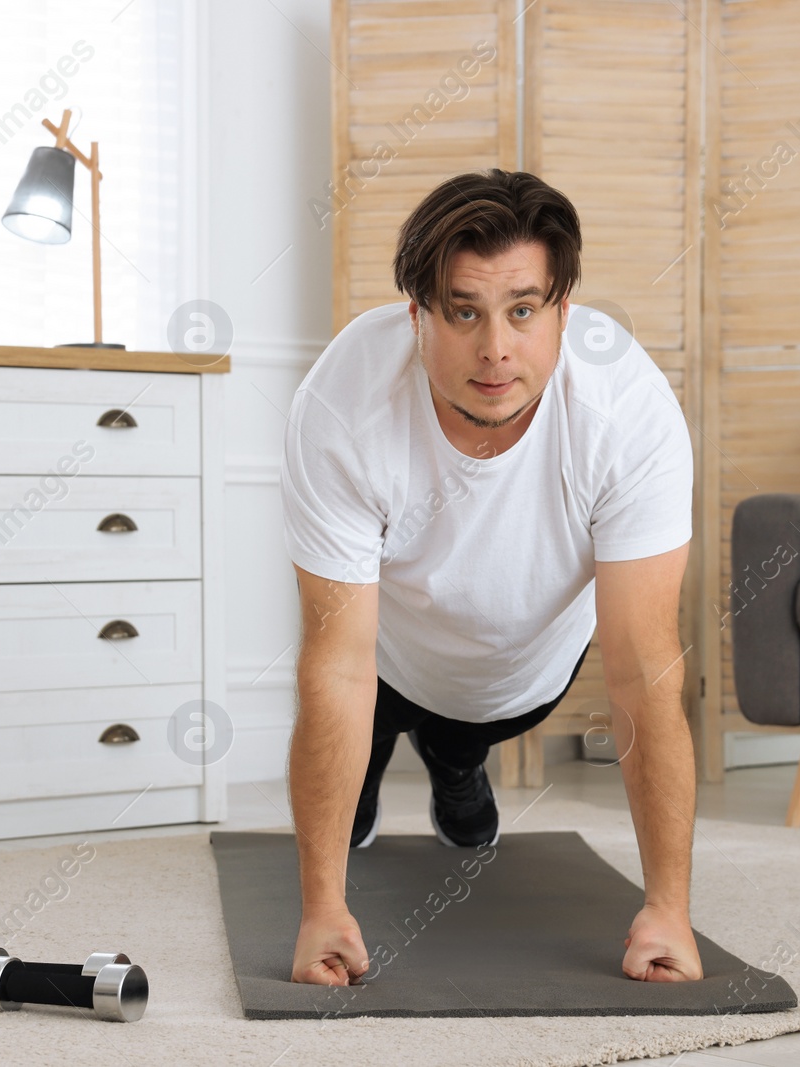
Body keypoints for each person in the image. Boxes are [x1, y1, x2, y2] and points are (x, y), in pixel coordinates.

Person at [279, 168, 701, 988]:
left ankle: (457, 763)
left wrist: (670, 906)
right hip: (390, 661)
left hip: (523, 669)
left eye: (522, 310)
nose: (496, 349)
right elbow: (334, 663)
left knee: (463, 732)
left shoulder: (627, 412)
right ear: (416, 315)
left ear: (562, 313)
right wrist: (321, 904)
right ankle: (390, 765)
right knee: (358, 776)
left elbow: (643, 671)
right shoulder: (343, 404)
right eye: (463, 311)